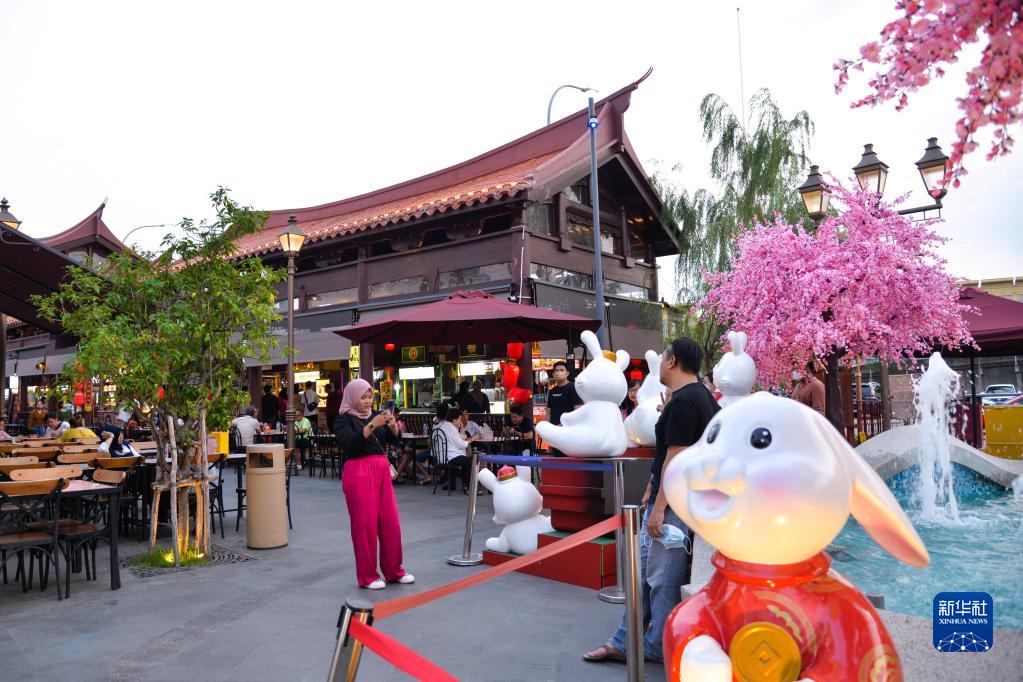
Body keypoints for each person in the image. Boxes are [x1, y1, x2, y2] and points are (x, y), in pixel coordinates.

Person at [585, 336, 720, 665]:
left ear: (672, 361)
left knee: (660, 579)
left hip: (674, 506)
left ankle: (656, 643)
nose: (659, 363)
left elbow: (676, 461)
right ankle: (625, 639)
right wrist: (651, 488)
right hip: (679, 501)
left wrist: (659, 508)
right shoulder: (700, 398)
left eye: (663, 357)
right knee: (647, 576)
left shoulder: (685, 402)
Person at [335, 378, 414, 590]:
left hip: (381, 470)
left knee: (391, 523)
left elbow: (393, 439)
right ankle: (368, 576)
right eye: (363, 397)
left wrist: (393, 426)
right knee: (365, 526)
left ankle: (394, 570)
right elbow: (349, 444)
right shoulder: (343, 420)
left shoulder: (376, 415)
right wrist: (373, 424)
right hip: (358, 472)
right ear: (353, 397)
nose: (368, 401)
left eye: (370, 397)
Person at [436, 407, 482, 493]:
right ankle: (468, 486)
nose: (461, 421)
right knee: (470, 461)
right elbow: (461, 444)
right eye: (460, 419)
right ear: (454, 420)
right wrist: (472, 439)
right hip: (450, 457)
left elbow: (462, 438)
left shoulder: (447, 425)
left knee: (468, 460)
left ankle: (466, 485)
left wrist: (462, 428)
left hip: (445, 456)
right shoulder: (451, 428)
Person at [545, 360, 582, 456]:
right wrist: (548, 427)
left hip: (568, 431)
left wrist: (564, 424)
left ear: (567, 373)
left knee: (569, 458)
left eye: (561, 370)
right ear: (553, 374)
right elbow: (548, 411)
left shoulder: (573, 388)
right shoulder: (552, 391)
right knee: (557, 457)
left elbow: (578, 410)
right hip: (555, 432)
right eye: (556, 370)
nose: (559, 373)